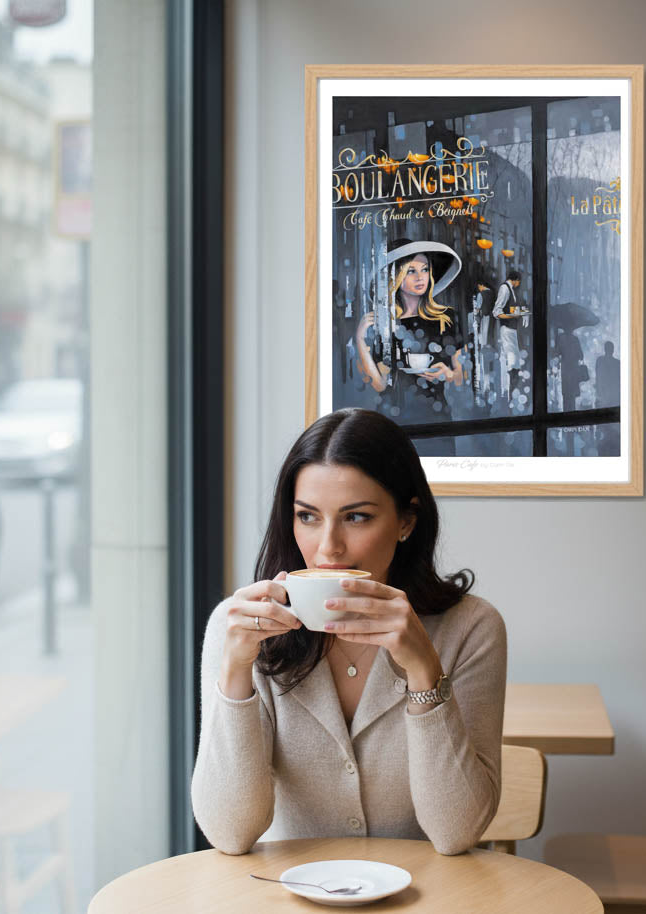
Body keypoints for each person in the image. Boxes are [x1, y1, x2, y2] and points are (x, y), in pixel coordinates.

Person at [191, 409, 507, 856]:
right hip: (291, 896)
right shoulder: (241, 627)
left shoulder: (471, 629)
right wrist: (236, 674)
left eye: (355, 517)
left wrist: (423, 668)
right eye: (308, 517)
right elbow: (229, 832)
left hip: (431, 898)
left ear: (406, 522)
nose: (327, 547)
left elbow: (457, 832)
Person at [355, 239, 467, 450]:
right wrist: (360, 340)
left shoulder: (447, 318)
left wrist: (448, 374)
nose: (420, 277)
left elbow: (461, 377)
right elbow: (379, 384)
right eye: (411, 271)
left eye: (424, 269)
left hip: (437, 418)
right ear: (396, 277)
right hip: (394, 421)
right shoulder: (386, 325)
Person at [492, 270, 523, 399]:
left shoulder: (510, 289)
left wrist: (519, 312)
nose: (519, 284)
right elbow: (497, 311)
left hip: (511, 330)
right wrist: (511, 316)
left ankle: (511, 395)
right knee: (511, 364)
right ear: (515, 280)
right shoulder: (505, 289)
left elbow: (509, 308)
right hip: (507, 330)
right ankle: (509, 396)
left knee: (514, 364)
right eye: (519, 282)